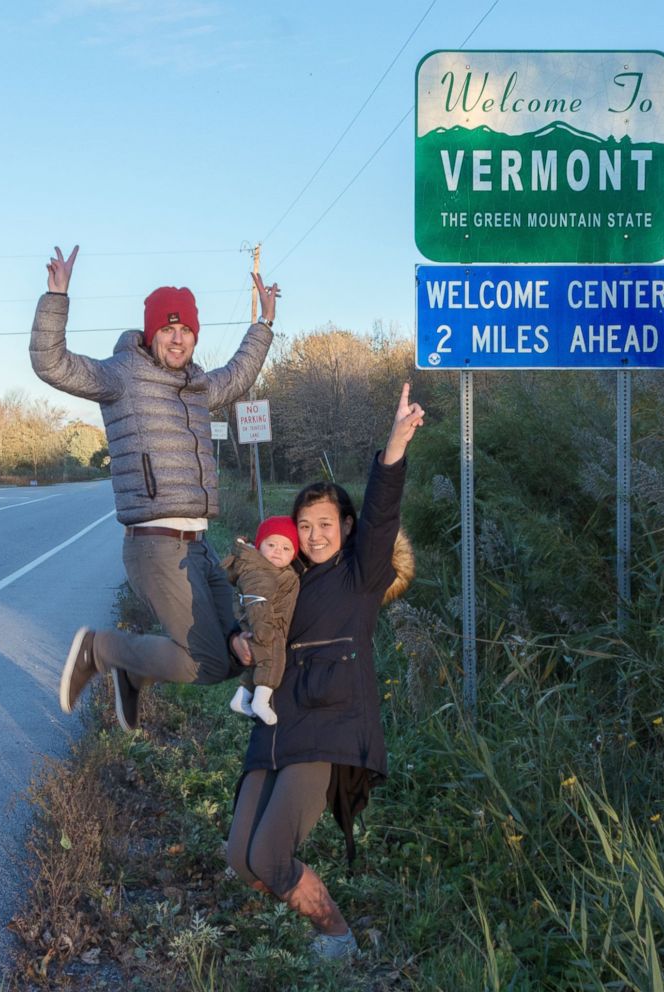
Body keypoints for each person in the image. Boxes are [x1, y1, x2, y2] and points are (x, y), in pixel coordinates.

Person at [29, 245, 278, 732]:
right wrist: (56, 298)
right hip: (155, 543)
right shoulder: (121, 376)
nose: (178, 338)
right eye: (168, 328)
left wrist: (264, 325)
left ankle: (131, 673)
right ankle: (100, 650)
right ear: (151, 332)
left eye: (185, 329)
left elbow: (240, 375)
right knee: (203, 662)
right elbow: (52, 364)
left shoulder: (198, 385)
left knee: (233, 656)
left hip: (199, 547)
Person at [225, 383, 422, 961]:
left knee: (269, 857)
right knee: (242, 859)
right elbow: (254, 628)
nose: (314, 535)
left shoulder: (361, 575)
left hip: (329, 729)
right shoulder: (283, 582)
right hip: (275, 728)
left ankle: (338, 936)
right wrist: (240, 641)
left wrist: (394, 446)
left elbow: (383, 510)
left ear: (346, 527)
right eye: (304, 525)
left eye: (326, 523)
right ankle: (306, 907)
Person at [221, 516, 300, 725]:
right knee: (273, 661)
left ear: (294, 554)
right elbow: (258, 602)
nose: (277, 551)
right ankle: (261, 701)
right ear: (259, 545)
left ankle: (242, 697)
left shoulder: (271, 570)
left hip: (261, 623)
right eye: (271, 544)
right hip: (264, 624)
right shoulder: (261, 573)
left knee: (256, 664)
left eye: (286, 548)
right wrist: (263, 630)